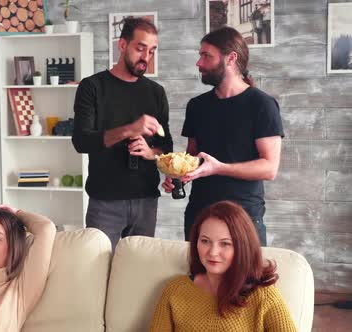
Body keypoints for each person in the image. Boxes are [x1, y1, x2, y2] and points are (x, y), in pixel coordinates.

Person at [162, 26, 283, 246]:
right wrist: (177, 174)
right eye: (200, 55)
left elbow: (269, 168)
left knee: (245, 282)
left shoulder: (262, 105)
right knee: (199, 280)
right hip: (200, 215)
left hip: (243, 218)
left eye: (206, 56)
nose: (199, 63)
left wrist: (219, 167)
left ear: (231, 58)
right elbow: (193, 156)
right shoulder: (197, 106)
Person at [72, 17, 173, 250]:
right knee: (99, 272)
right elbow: (81, 141)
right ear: (122, 45)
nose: (146, 57)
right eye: (140, 48)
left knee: (138, 273)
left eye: (151, 51)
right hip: (104, 202)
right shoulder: (92, 87)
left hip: (147, 200)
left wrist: (151, 152)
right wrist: (130, 129)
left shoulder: (156, 93)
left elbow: (166, 146)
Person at [149, 201, 297, 331]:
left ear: (242, 247)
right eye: (205, 241)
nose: (213, 252)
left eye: (225, 243)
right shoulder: (175, 289)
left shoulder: (264, 295)